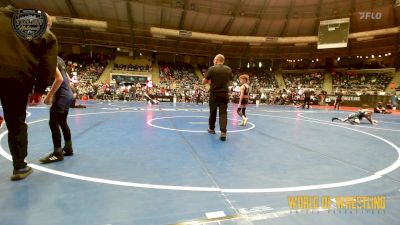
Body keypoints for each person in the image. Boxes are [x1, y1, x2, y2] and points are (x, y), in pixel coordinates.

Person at [0, 6, 58, 180]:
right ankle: (19, 167)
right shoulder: (41, 30)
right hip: (17, 77)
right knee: (16, 122)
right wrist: (39, 90)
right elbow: (48, 64)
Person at [39, 57, 74, 163]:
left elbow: (59, 79)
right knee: (62, 122)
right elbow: (68, 78)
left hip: (61, 95)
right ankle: (68, 148)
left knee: (53, 123)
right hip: (68, 94)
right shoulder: (59, 59)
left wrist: (49, 96)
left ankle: (57, 153)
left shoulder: (49, 58)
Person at [202, 54, 232, 141]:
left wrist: (206, 81)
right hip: (224, 94)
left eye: (214, 60)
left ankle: (211, 129)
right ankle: (223, 132)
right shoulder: (228, 69)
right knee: (223, 113)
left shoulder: (212, 68)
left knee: (213, 112)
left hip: (214, 94)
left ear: (217, 60)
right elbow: (229, 80)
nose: (213, 61)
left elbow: (204, 82)